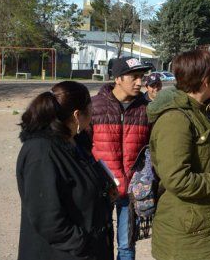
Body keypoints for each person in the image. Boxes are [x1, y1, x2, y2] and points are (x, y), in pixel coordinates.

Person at [147, 50, 210, 260]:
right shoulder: (176, 119)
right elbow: (177, 178)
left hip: (204, 231)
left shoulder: (200, 112)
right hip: (188, 240)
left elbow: (204, 162)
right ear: (205, 81)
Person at [16, 81, 114, 260]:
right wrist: (84, 244)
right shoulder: (41, 153)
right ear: (77, 115)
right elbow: (48, 219)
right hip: (64, 254)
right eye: (90, 109)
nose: (93, 114)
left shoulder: (76, 141)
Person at [90, 56, 152, 260]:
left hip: (131, 191)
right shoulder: (94, 107)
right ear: (117, 78)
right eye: (134, 77)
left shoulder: (148, 109)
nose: (139, 82)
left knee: (126, 247)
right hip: (101, 190)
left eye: (141, 77)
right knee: (98, 243)